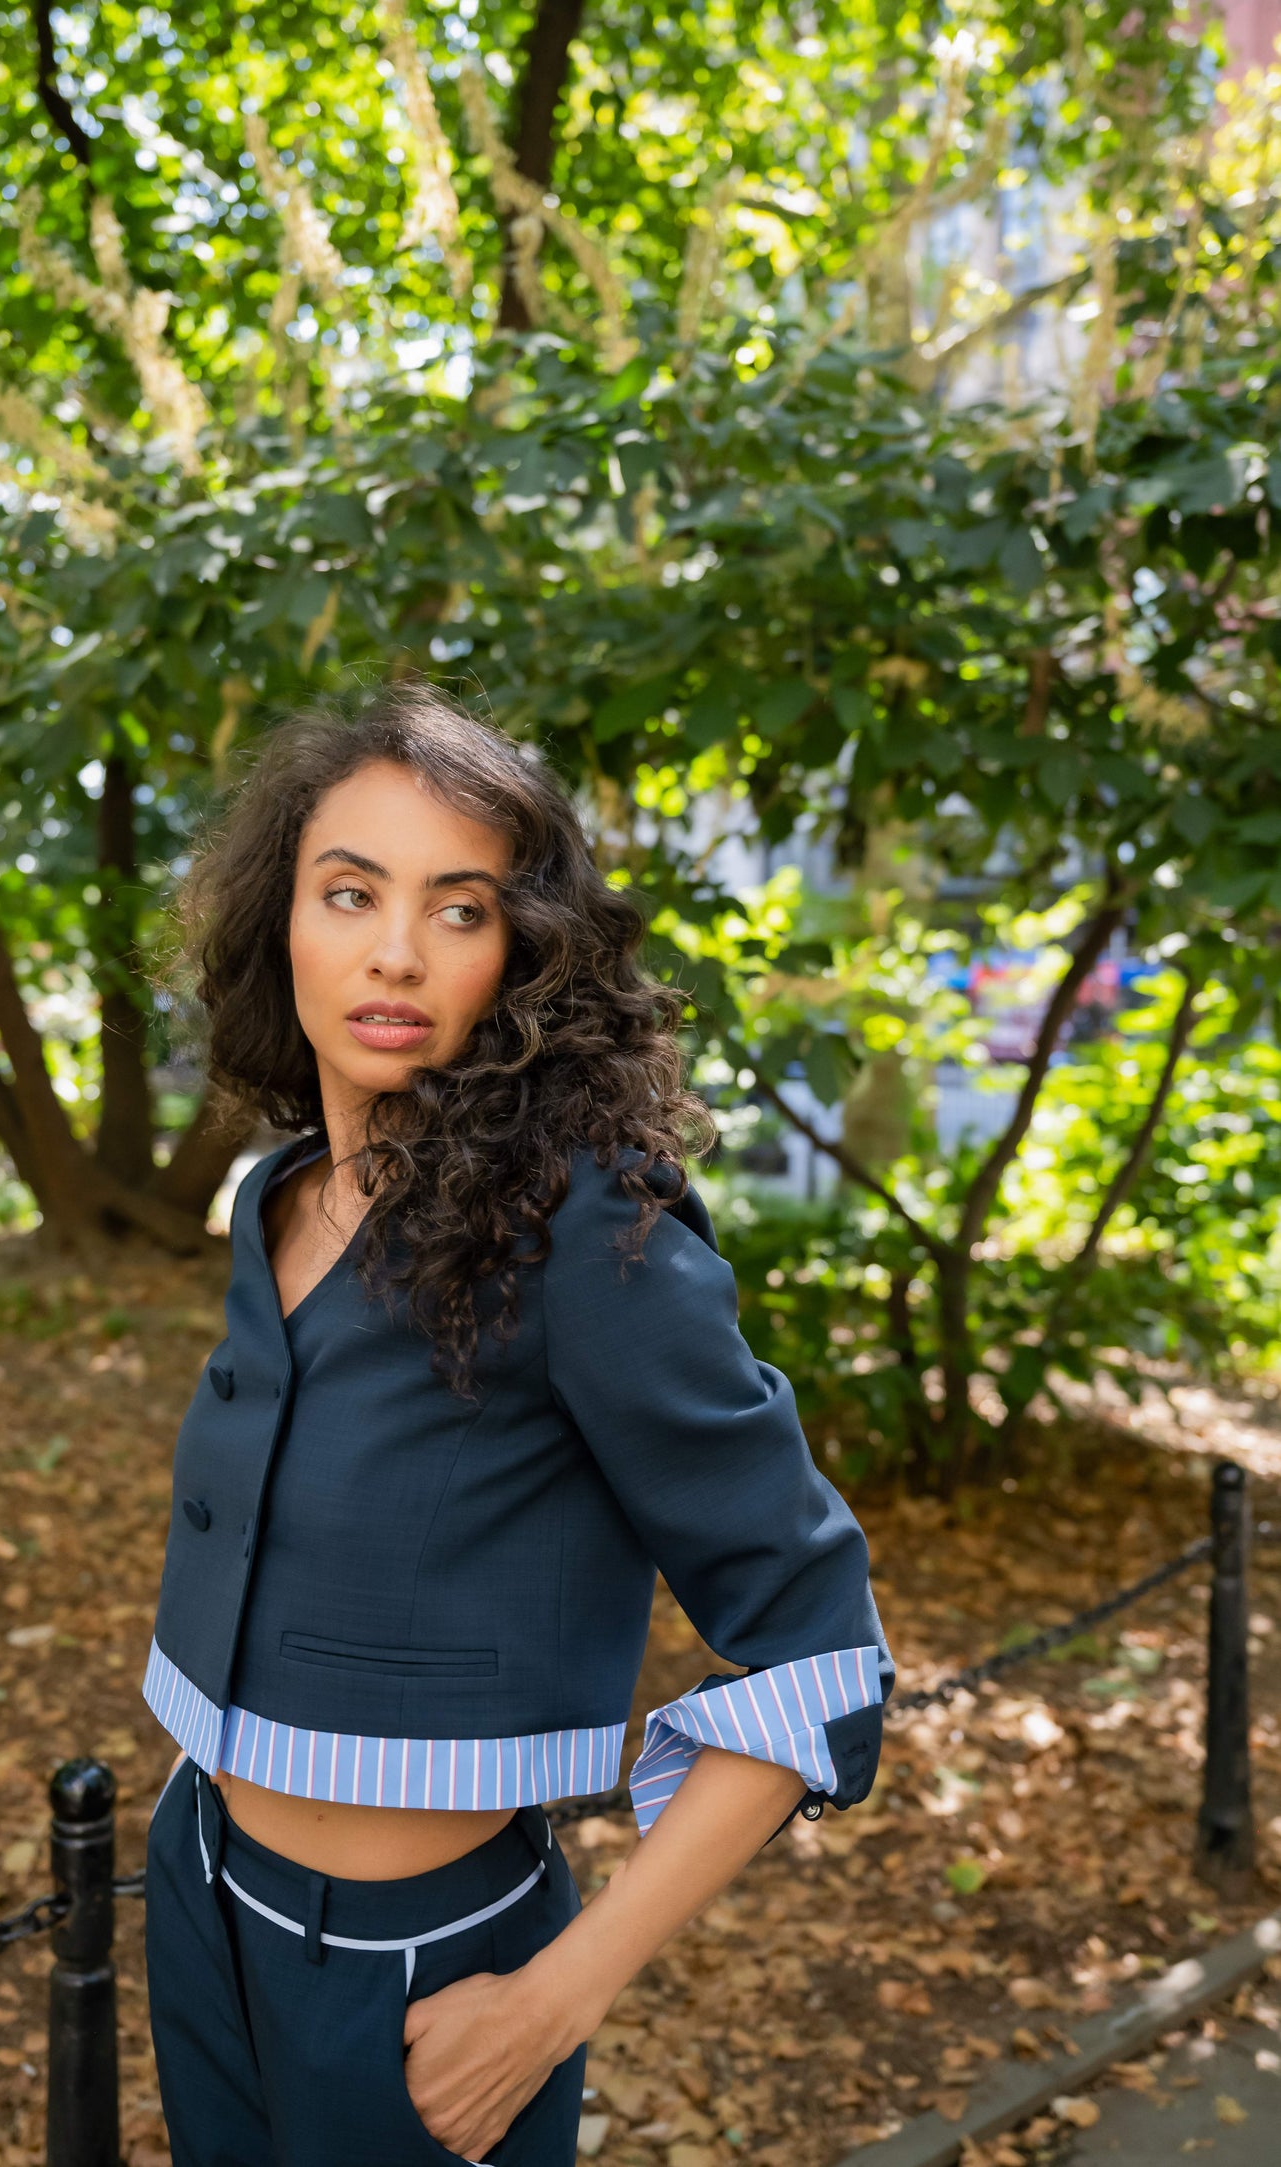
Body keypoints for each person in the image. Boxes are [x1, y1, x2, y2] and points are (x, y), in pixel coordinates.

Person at [140, 685, 893, 2167]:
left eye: (460, 908)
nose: (395, 952)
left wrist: (554, 2000)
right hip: (197, 1888)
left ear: (523, 955)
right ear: (277, 923)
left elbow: (820, 1651)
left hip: (425, 1970)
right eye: (347, 893)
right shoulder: (274, 1196)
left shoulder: (588, 1235)